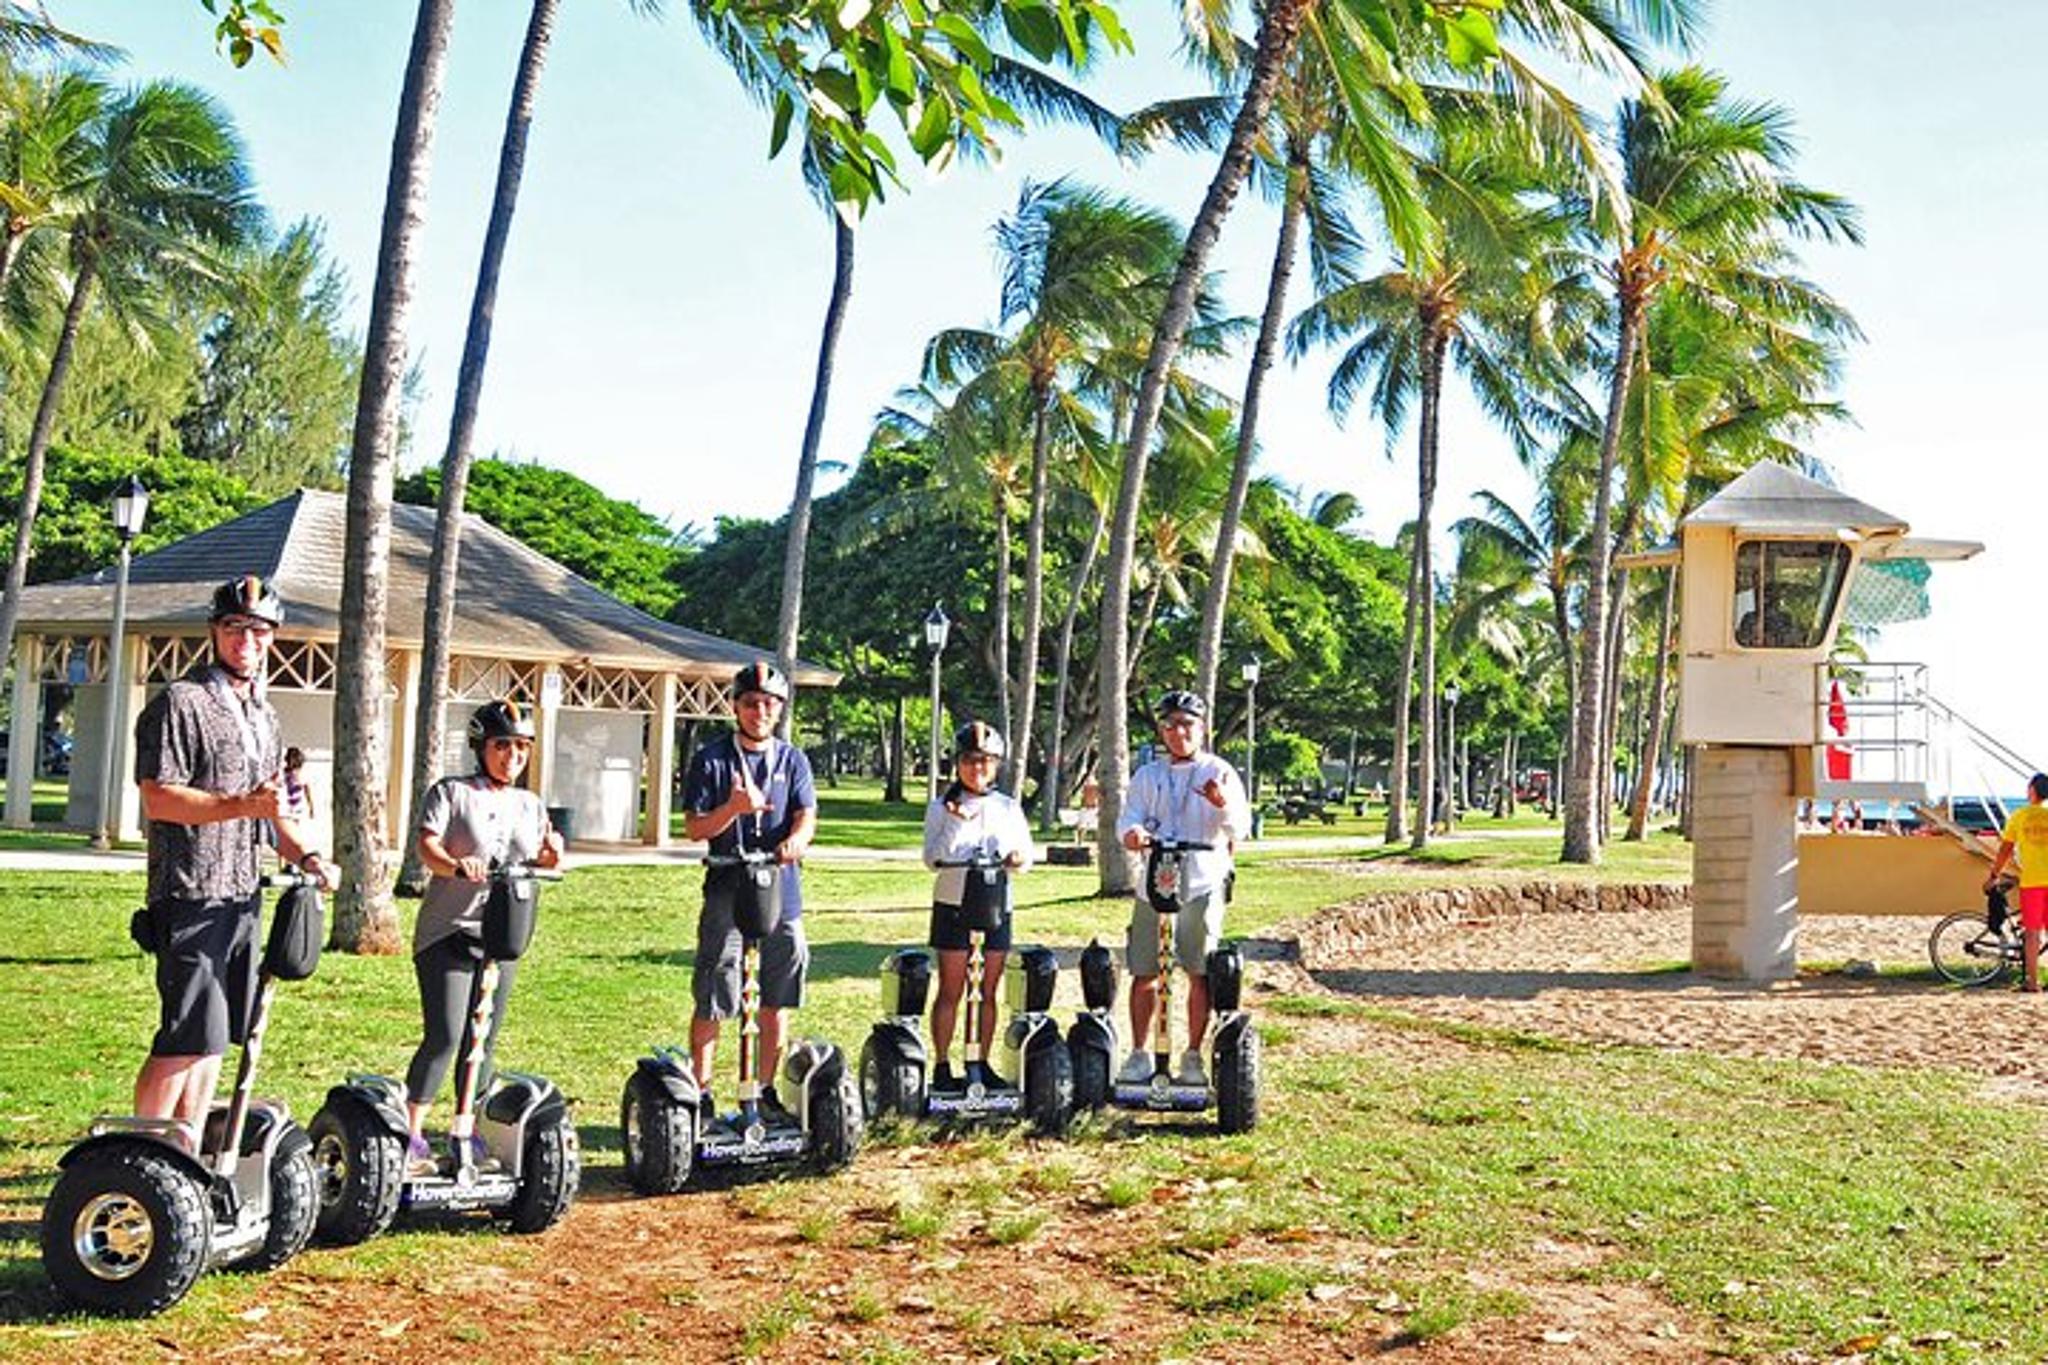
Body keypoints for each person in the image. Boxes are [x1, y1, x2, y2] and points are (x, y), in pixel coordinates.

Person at [131, 575, 333, 1141]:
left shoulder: (263, 716)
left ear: (273, 637)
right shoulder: (181, 702)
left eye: (259, 630)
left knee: (219, 1035)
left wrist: (309, 854)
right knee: (185, 1036)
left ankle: (186, 1149)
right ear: (215, 632)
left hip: (243, 893)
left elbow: (272, 813)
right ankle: (140, 1152)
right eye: (235, 627)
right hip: (191, 889)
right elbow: (158, 796)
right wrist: (241, 804)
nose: (247, 639)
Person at [404, 699, 563, 1174]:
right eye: (502, 745)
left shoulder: (529, 804)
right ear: (480, 746)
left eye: (521, 747)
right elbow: (427, 845)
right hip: (448, 931)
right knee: (447, 1034)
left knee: (484, 1039)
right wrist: (456, 865)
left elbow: (537, 857)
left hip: (501, 934)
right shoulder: (451, 793)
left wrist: (551, 858)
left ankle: (464, 1128)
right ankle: (411, 1132)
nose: (512, 755)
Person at [682, 661, 816, 1118]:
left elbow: (805, 813)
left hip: (780, 887)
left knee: (779, 987)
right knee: (716, 988)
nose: (760, 711)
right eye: (751, 703)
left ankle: (762, 1089)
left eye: (769, 704)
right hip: (727, 886)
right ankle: (700, 1093)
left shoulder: (793, 759)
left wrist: (797, 839)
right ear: (736, 707)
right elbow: (695, 828)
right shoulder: (712, 759)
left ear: (779, 709)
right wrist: (734, 808)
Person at [1115, 690, 1251, 1087]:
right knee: (1145, 969)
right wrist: (1134, 834)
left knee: (1199, 970)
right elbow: (1129, 820)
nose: (1178, 732)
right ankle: (1140, 1054)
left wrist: (1220, 801)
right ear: (1162, 730)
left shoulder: (1219, 770)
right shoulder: (1148, 775)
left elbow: (1239, 827)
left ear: (1202, 728)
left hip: (1202, 879)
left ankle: (1192, 1055)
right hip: (1154, 880)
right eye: (1171, 724)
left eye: (1187, 724)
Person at [922, 720, 1034, 1088]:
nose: (977, 768)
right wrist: (956, 821)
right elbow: (933, 858)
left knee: (987, 989)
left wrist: (1018, 858)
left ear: (997, 764)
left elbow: (1026, 856)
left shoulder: (1007, 807)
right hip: (954, 902)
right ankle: (942, 1065)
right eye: (970, 760)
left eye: (986, 761)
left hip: (995, 905)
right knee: (952, 989)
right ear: (958, 763)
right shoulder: (942, 806)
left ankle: (980, 1062)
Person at [1984, 773, 2048, 993]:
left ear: (2031, 791)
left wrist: (1994, 874)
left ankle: (2032, 982)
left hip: (2032, 882)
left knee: (2032, 933)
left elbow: (2005, 849)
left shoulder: (2019, 816)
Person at [281, 746, 314, 822]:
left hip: (295, 808)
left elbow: (307, 790)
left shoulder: (301, 775)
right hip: (285, 809)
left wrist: (311, 807)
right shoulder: (283, 774)